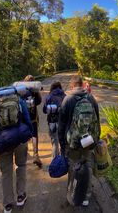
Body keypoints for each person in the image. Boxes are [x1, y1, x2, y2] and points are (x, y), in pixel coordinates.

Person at [0, 93, 33, 213]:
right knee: (21, 166)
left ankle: (8, 204)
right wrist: (29, 135)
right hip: (19, 140)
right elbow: (28, 120)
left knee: (6, 173)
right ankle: (21, 196)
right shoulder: (20, 102)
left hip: (3, 143)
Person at [58, 75, 101, 207]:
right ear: (82, 85)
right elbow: (97, 120)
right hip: (89, 142)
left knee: (73, 167)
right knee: (87, 166)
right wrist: (96, 139)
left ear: (72, 86)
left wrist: (62, 143)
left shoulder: (68, 99)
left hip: (74, 142)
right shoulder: (91, 98)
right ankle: (86, 197)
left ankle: (73, 195)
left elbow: (62, 124)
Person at [22, 74, 42, 168]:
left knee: (24, 135)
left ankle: (23, 156)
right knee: (34, 135)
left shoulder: (21, 90)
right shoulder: (34, 90)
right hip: (33, 117)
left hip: (23, 117)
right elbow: (39, 101)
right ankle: (35, 155)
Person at [43, 81, 66, 158]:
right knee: (63, 142)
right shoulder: (64, 96)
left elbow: (44, 110)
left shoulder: (49, 96)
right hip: (63, 123)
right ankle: (64, 161)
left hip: (52, 123)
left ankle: (55, 161)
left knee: (55, 143)